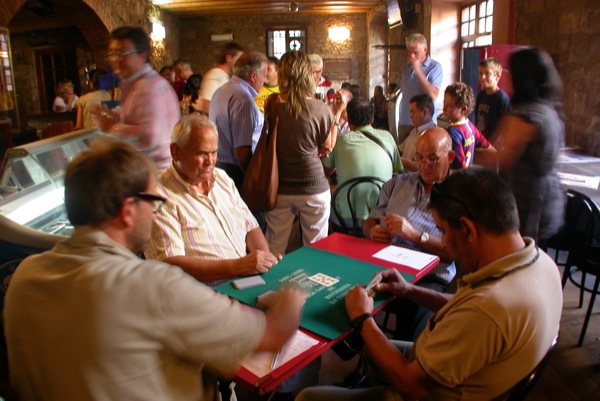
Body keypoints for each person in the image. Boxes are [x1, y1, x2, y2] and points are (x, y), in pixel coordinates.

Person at [4, 138, 306, 401]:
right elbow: (272, 335)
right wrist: (290, 297)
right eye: (153, 202)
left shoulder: (25, 276)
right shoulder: (151, 284)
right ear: (127, 212)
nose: (155, 212)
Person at [296, 166, 562, 401]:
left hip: (429, 390)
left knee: (308, 396)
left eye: (444, 232)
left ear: (468, 230)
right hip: (469, 370)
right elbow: (463, 305)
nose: (443, 243)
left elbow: (411, 386)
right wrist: (410, 290)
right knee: (372, 352)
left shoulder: (487, 309)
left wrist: (363, 318)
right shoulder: (541, 263)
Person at [145, 114, 280, 286]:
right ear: (175, 152)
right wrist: (237, 267)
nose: (210, 162)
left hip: (244, 283)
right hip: (204, 296)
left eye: (214, 152)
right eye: (201, 153)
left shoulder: (222, 178)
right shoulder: (159, 196)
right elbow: (170, 264)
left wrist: (263, 261)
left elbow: (250, 226)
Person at [363, 127, 456, 340]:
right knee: (344, 295)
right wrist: (371, 231)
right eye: (419, 158)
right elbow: (369, 221)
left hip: (428, 277)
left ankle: (398, 361)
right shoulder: (397, 183)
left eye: (432, 159)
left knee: (412, 318)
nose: (423, 165)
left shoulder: (459, 194)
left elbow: (454, 251)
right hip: (385, 265)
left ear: (450, 157)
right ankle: (363, 352)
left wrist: (415, 234)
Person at [491, 47, 566, 245]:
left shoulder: (526, 115)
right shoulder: (547, 108)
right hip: (546, 197)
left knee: (521, 256)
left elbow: (503, 157)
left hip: (529, 203)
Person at [265, 51, 334, 255]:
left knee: (274, 246)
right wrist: (336, 116)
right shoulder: (320, 108)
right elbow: (326, 148)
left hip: (281, 187)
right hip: (313, 186)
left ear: (282, 75)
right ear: (308, 75)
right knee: (316, 249)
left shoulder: (273, 104)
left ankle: (270, 284)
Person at [92, 26, 180, 172]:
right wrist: (115, 117)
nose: (115, 60)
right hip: (145, 171)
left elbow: (151, 136)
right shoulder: (136, 84)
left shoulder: (149, 87)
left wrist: (112, 128)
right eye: (112, 54)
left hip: (155, 174)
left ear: (142, 56)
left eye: (122, 53)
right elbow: (140, 119)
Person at [322, 97, 402, 224]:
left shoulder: (341, 140)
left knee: (327, 192)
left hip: (346, 219)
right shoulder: (388, 137)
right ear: (372, 119)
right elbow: (397, 172)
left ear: (348, 120)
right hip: (381, 217)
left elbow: (325, 170)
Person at [209, 52, 268, 190]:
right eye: (264, 76)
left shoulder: (221, 91)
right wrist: (255, 180)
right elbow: (242, 151)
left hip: (220, 166)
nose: (265, 80)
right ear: (253, 76)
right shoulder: (243, 100)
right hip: (236, 172)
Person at [398, 33, 442, 144]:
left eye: (415, 52)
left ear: (425, 50)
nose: (412, 56)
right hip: (404, 121)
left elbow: (433, 95)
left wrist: (418, 70)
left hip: (424, 123)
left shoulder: (435, 67)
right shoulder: (405, 68)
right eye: (409, 52)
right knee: (404, 155)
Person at [443, 82, 495, 170]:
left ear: (463, 109)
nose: (444, 108)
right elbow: (486, 146)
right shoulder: (470, 126)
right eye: (444, 103)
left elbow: (458, 165)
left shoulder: (453, 132)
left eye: (450, 106)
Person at [199, 42, 245, 114]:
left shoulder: (224, 77)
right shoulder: (214, 75)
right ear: (228, 58)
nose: (241, 62)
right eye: (239, 59)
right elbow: (207, 107)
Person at [397, 94, 436, 172]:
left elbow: (420, 166)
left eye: (413, 112)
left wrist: (396, 159)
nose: (410, 116)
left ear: (425, 112)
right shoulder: (415, 130)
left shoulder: (432, 135)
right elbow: (400, 150)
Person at [475, 57, 511, 139]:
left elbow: (506, 129)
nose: (483, 77)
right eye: (480, 73)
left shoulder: (502, 99)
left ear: (497, 76)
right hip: (480, 143)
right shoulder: (481, 96)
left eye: (487, 73)